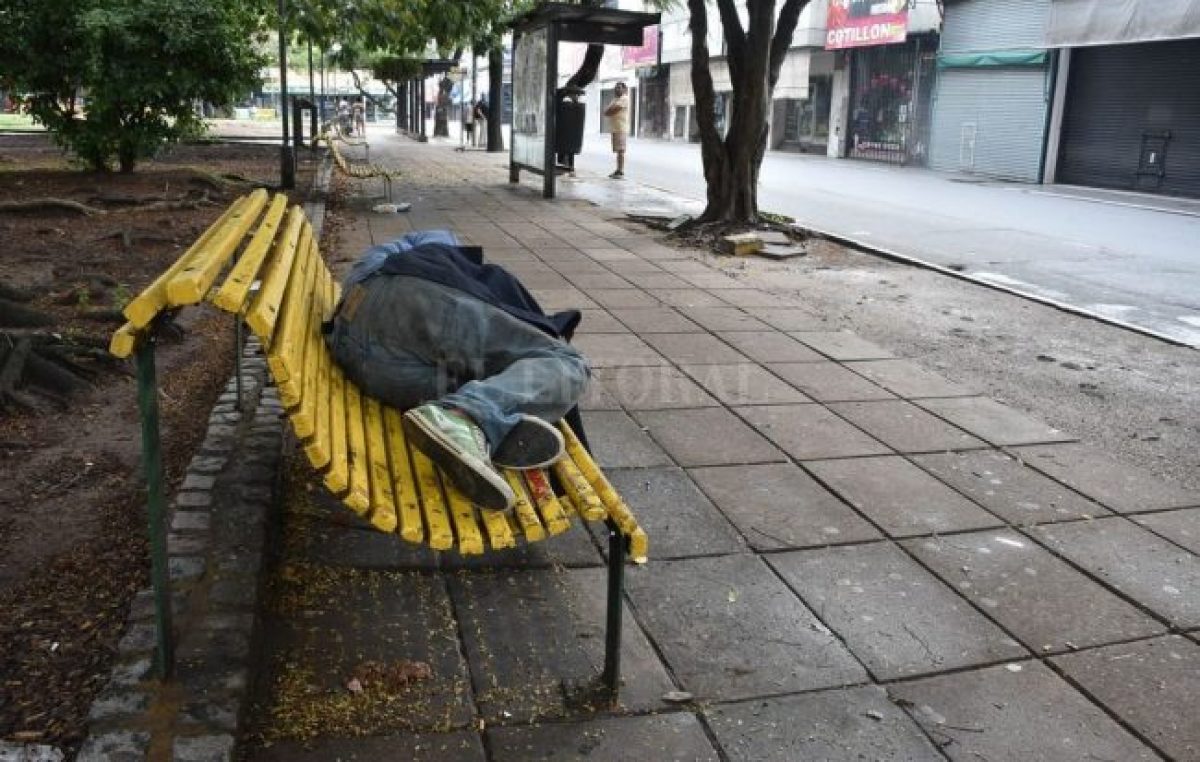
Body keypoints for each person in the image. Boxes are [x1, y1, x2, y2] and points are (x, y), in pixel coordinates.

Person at [324, 230, 590, 512]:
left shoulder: (382, 259)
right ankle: (465, 415)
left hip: (356, 352)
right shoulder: (438, 247)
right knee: (568, 363)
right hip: (409, 308)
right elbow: (435, 240)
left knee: (475, 375)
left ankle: (484, 429)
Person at [603, 82, 630, 179]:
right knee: (618, 150)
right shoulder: (615, 99)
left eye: (619, 88)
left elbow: (612, 110)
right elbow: (606, 112)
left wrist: (610, 110)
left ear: (624, 89)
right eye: (616, 88)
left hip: (621, 128)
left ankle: (620, 171)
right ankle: (618, 170)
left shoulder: (624, 98)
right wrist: (609, 110)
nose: (616, 89)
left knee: (621, 150)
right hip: (615, 127)